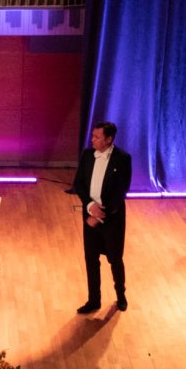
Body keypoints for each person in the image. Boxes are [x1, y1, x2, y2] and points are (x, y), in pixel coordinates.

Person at [73, 121, 131, 314]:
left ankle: (120, 296)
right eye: (93, 136)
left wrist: (99, 216)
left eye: (97, 137)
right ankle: (93, 300)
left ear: (109, 139)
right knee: (91, 259)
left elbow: (119, 193)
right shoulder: (88, 155)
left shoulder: (123, 159)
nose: (92, 140)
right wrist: (90, 206)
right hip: (90, 215)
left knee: (115, 259)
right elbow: (79, 184)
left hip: (111, 220)